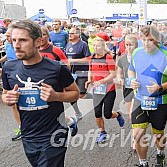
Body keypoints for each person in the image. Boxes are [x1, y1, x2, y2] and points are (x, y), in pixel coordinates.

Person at [1, 20, 79, 167]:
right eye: (14, 40)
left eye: (23, 40)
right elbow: (5, 94)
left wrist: (56, 96)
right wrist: (8, 99)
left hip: (54, 133)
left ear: (38, 42)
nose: (16, 45)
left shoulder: (56, 68)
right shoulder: (9, 68)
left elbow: (75, 93)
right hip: (28, 134)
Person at [128, 25, 167, 167]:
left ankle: (160, 153)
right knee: (137, 134)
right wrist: (132, 80)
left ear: (157, 40)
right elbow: (131, 71)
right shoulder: (137, 52)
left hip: (161, 100)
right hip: (140, 99)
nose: (146, 43)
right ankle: (143, 162)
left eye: (150, 40)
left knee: (158, 134)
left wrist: (162, 87)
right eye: (144, 39)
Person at [85, 38, 125, 143]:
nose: (95, 47)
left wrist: (102, 81)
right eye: (94, 45)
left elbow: (113, 74)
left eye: (97, 46)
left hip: (109, 90)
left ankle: (118, 114)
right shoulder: (92, 58)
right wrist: (89, 80)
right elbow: (90, 70)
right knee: (97, 112)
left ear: (103, 47)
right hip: (97, 90)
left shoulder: (108, 58)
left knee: (107, 114)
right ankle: (102, 132)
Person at [65, 26, 92, 120]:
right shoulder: (68, 44)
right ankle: (77, 112)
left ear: (78, 34)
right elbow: (66, 58)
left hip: (82, 72)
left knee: (81, 95)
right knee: (72, 94)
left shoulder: (83, 44)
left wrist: (74, 61)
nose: (70, 35)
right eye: (69, 33)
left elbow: (88, 59)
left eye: (72, 33)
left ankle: (95, 95)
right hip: (71, 73)